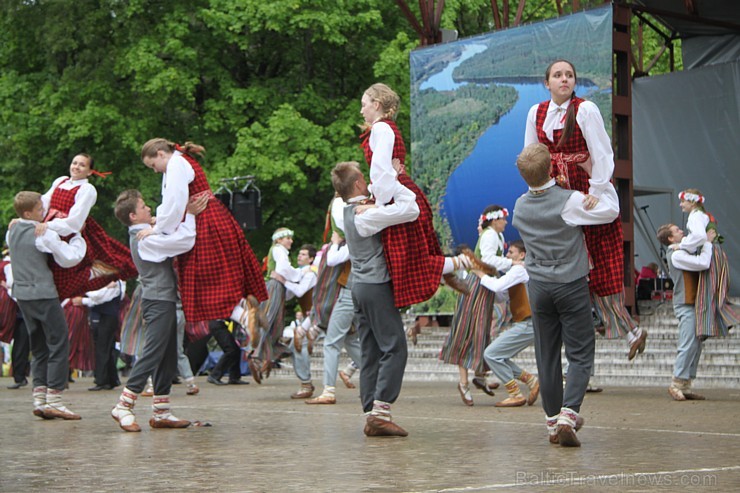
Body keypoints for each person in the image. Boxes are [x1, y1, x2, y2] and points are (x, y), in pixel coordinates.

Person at [524, 60, 646, 360]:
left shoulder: (585, 109)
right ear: (547, 82)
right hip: (556, 191)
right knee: (569, 271)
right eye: (557, 75)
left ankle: (626, 331)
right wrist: (536, 192)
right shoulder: (536, 113)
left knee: (598, 266)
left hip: (581, 184)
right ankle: (585, 357)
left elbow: (603, 153)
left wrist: (596, 190)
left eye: (569, 75)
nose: (564, 79)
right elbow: (531, 156)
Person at [511, 143, 619, 447]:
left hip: (539, 286)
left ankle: (550, 421)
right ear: (552, 168)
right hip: (570, 283)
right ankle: (568, 414)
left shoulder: (519, 206)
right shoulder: (569, 200)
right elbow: (611, 211)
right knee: (580, 352)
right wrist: (596, 178)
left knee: (546, 355)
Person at [359, 83, 485, 306]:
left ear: (376, 105)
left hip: (397, 197)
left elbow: (381, 173)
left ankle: (460, 263)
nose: (362, 110)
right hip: (402, 191)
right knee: (414, 260)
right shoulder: (387, 127)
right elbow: (385, 172)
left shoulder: (380, 129)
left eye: (364, 104)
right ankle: (459, 265)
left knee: (410, 263)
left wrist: (377, 204)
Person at [139, 139, 267, 330]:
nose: (155, 170)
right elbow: (175, 203)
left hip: (205, 223)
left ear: (160, 154)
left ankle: (244, 315)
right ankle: (243, 310)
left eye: (153, 165)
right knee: (221, 275)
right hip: (215, 218)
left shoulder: (175, 164)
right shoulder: (181, 159)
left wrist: (159, 229)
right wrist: (161, 219)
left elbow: (175, 201)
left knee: (203, 280)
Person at [331, 161, 419, 437]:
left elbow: (373, 205)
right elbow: (410, 209)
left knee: (370, 350)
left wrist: (376, 203)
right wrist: (394, 180)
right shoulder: (364, 215)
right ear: (358, 184)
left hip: (358, 286)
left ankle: (371, 411)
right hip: (375, 285)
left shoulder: (343, 210)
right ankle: (381, 410)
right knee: (395, 347)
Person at [110, 190, 207, 432]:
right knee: (153, 352)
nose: (149, 209)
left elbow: (166, 229)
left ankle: (162, 411)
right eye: (144, 207)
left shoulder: (145, 233)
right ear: (133, 216)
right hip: (157, 299)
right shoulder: (145, 238)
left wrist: (165, 221)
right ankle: (124, 405)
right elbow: (182, 242)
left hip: (162, 299)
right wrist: (190, 215)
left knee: (168, 355)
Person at [7, 191, 87, 419]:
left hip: (22, 295)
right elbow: (69, 258)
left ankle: (39, 398)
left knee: (39, 346)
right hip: (43, 293)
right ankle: (55, 398)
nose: (44, 212)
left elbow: (18, 227)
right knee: (59, 342)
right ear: (28, 212)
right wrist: (77, 237)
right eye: (40, 209)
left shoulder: (11, 230)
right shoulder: (42, 234)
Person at [41, 153, 137, 299]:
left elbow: (75, 220)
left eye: (82, 165)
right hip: (49, 229)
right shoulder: (61, 181)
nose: (76, 167)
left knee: (64, 279)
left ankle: (94, 272)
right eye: (74, 163)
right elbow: (43, 203)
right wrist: (29, 220)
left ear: (90, 171)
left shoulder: (87, 189)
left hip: (71, 232)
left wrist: (48, 225)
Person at [439, 206, 504, 407]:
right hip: (475, 288)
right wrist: (513, 263)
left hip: (484, 288)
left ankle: (479, 375)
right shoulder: (490, 235)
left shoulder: (494, 235)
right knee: (467, 332)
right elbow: (487, 259)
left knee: (481, 332)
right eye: (503, 219)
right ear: (494, 220)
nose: (505, 222)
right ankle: (464, 382)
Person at [475, 241, 540, 407]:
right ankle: (531, 381)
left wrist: (481, 276)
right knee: (498, 356)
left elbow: (497, 287)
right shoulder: (516, 272)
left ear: (522, 255)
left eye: (511, 252)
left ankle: (515, 393)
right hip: (527, 323)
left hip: (528, 323)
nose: (508, 256)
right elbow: (501, 296)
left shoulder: (519, 269)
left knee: (491, 354)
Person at [657, 224, 715, 400]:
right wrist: (707, 242)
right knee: (688, 342)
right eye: (676, 231)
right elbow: (702, 262)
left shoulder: (680, 250)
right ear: (670, 239)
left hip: (692, 302)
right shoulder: (676, 254)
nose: (681, 231)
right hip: (685, 302)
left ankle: (686, 383)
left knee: (696, 344)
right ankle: (677, 382)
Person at [306, 231, 363, 405]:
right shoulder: (365, 236)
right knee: (351, 340)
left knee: (331, 343)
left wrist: (337, 242)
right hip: (355, 292)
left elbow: (332, 259)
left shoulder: (354, 239)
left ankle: (329, 391)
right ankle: (377, 378)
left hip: (347, 293)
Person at [674, 189, 738, 337]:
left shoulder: (695, 216)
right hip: (716, 252)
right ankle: (720, 321)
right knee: (715, 292)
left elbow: (699, 236)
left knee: (707, 290)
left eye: (683, 201)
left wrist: (682, 245)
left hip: (710, 253)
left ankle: (708, 328)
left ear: (692, 202)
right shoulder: (702, 216)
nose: (681, 205)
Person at [252, 227, 305, 380]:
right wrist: (300, 273)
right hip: (275, 286)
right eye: (288, 238)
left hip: (277, 286)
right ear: (279, 239)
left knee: (276, 323)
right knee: (269, 319)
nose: (291, 241)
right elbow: (283, 268)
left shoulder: (279, 251)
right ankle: (256, 353)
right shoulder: (278, 249)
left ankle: (270, 353)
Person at [74, 281, 125, 391]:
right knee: (105, 347)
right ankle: (111, 379)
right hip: (102, 315)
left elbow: (99, 296)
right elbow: (97, 297)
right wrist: (102, 286)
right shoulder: (109, 282)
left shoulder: (116, 283)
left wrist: (86, 293)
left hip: (109, 316)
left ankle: (102, 380)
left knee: (102, 348)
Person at [285, 244, 319, 399]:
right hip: (311, 316)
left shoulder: (311, 274)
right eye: (299, 253)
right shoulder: (302, 273)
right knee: (296, 345)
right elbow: (288, 296)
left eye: (304, 254)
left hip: (317, 315)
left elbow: (299, 291)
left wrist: (282, 280)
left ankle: (306, 385)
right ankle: (306, 383)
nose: (300, 256)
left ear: (311, 259)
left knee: (299, 344)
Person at [1, 257, 30, 389]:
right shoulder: (11, 265)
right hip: (15, 308)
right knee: (21, 344)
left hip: (14, 309)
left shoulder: (8, 264)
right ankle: (19, 377)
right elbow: (12, 285)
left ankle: (19, 376)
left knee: (21, 344)